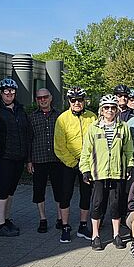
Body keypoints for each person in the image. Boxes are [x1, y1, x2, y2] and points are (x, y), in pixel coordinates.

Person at [81, 94, 134, 250]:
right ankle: (95, 236)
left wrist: (129, 165)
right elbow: (86, 151)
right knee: (97, 204)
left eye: (112, 107)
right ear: (101, 110)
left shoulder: (123, 127)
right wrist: (85, 169)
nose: (110, 110)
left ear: (117, 109)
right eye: (106, 108)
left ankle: (116, 235)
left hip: (117, 172)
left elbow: (129, 149)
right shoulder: (93, 128)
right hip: (99, 173)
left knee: (115, 204)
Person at [0, 77, 30, 237]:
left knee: (11, 191)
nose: (9, 94)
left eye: (12, 91)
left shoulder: (20, 109)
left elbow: (26, 133)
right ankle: (0, 224)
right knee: (2, 190)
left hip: (18, 157)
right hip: (1, 157)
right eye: (6, 91)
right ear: (1, 92)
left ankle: (6, 218)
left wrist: (27, 158)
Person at [54, 87, 97, 242]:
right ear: (69, 101)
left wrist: (87, 162)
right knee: (65, 195)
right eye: (74, 100)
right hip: (68, 164)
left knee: (86, 195)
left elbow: (96, 141)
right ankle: (65, 226)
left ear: (84, 101)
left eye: (80, 100)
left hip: (87, 164)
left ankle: (83, 225)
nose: (77, 103)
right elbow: (59, 146)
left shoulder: (92, 117)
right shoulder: (62, 119)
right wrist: (73, 163)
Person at [27, 87, 65, 234]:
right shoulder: (31, 117)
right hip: (39, 159)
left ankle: (60, 218)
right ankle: (42, 219)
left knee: (59, 190)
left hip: (57, 159)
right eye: (39, 98)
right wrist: (29, 161)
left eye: (45, 97)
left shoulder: (60, 116)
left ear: (50, 98)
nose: (42, 100)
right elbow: (29, 140)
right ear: (36, 100)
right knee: (38, 190)